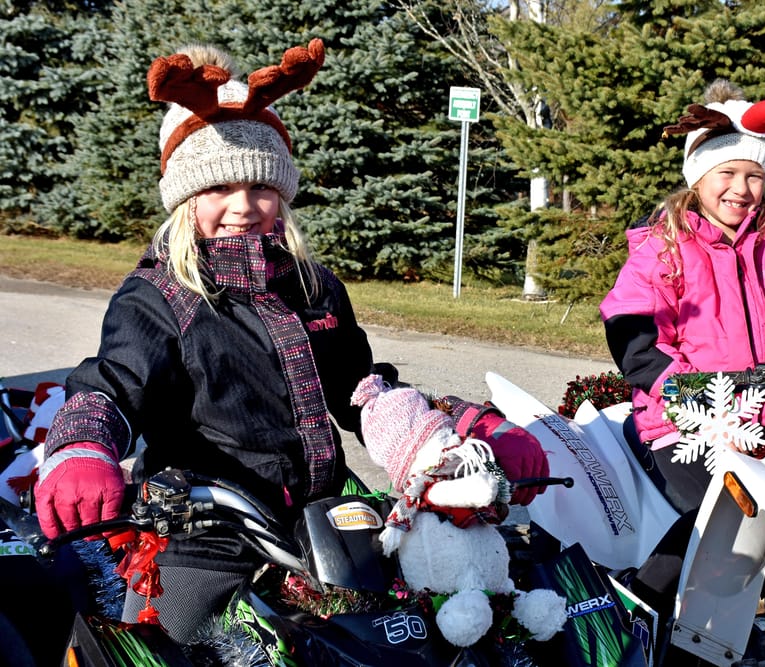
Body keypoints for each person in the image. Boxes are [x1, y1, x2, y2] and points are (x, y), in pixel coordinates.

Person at [32, 39, 546, 644]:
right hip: (205, 532)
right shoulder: (158, 296)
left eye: (261, 188)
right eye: (218, 190)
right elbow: (114, 385)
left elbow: (363, 389)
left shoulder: (313, 285)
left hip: (323, 522)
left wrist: (462, 433)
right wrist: (83, 450)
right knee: (164, 645)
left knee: (388, 640)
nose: (243, 207)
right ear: (183, 199)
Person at [600, 79, 765, 516]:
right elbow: (636, 341)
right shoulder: (665, 247)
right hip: (687, 425)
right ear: (698, 177)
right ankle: (651, 586)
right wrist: (708, 411)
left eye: (755, 176)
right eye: (728, 173)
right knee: (724, 522)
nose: (741, 188)